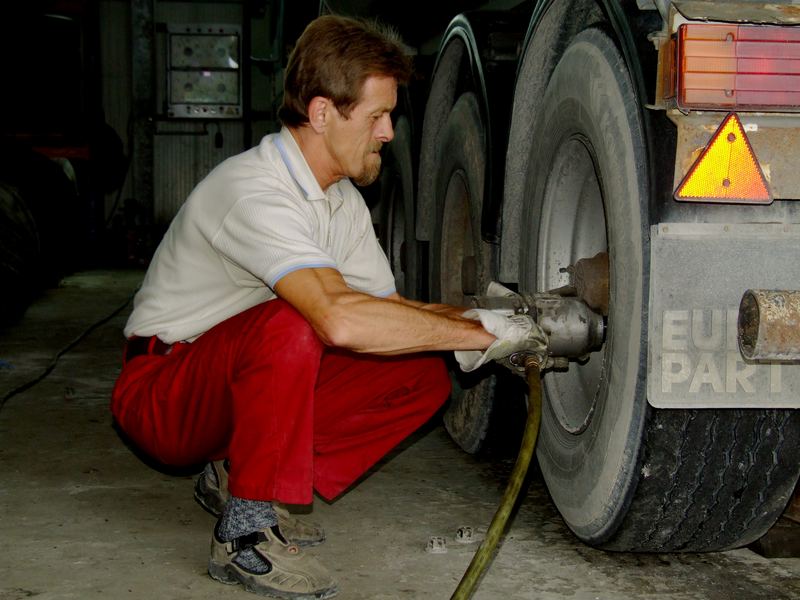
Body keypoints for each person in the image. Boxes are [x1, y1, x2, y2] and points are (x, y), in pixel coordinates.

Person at [111, 14, 540, 600]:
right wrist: (478, 335)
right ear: (320, 113)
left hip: (225, 383)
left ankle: (239, 476)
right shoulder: (256, 191)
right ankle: (242, 537)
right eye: (376, 116)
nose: (389, 132)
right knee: (297, 323)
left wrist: (488, 325)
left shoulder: (338, 201)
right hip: (163, 392)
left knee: (420, 370)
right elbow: (336, 315)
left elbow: (386, 312)